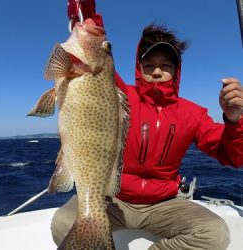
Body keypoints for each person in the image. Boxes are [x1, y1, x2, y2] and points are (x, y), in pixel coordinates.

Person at [51, 1, 243, 249]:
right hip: (113, 199)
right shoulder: (119, 93)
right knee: (62, 223)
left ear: (176, 71)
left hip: (164, 204)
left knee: (214, 234)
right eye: (149, 65)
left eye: (165, 65)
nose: (156, 71)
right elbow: (97, 59)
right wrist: (87, 14)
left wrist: (235, 120)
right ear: (138, 69)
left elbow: (233, 156)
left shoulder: (194, 114)